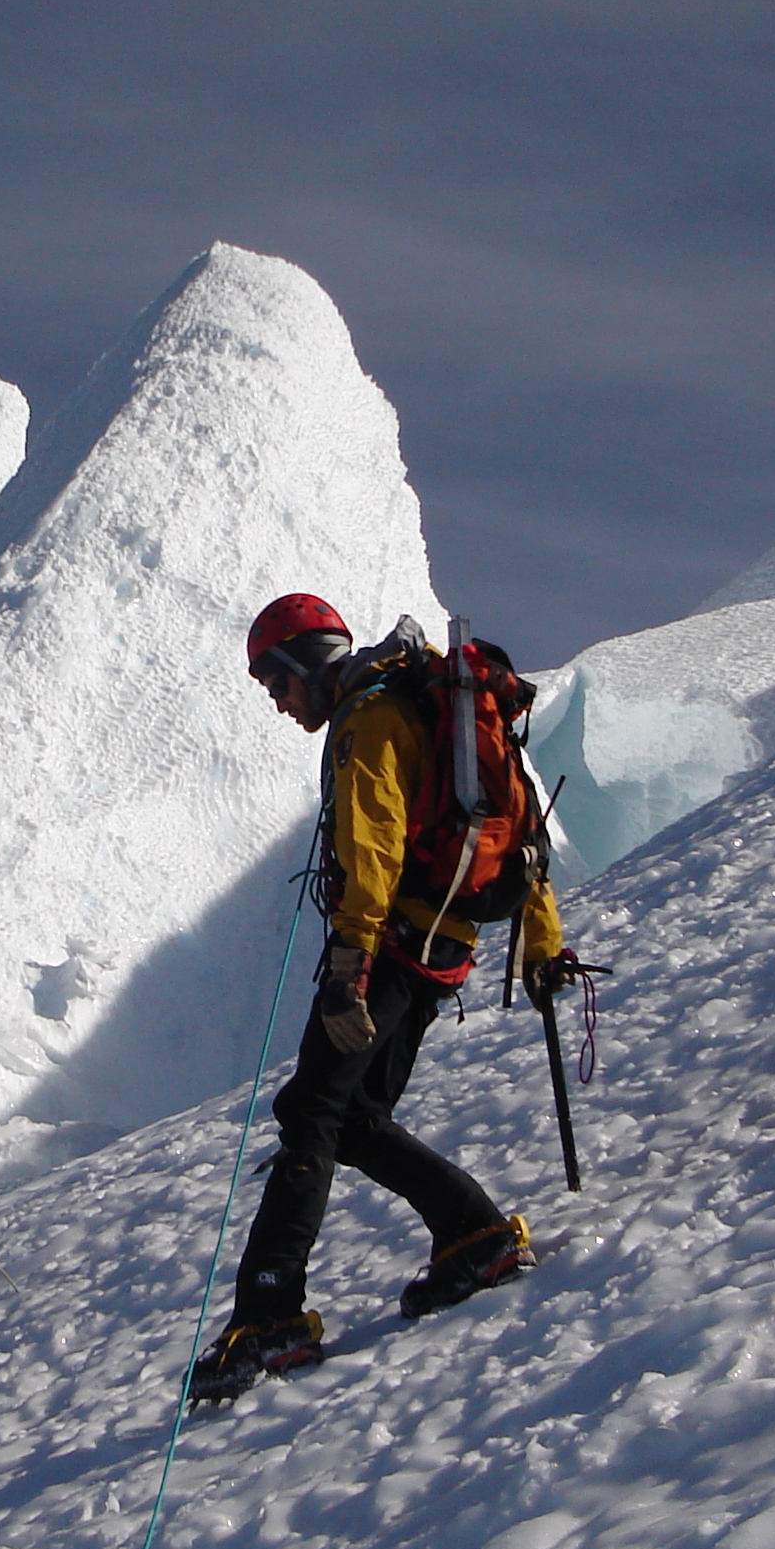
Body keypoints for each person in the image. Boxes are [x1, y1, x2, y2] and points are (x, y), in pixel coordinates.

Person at [190, 593, 576, 1403]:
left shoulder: (368, 718)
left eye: (279, 686)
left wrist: (349, 967)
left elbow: (372, 845)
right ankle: (473, 1236)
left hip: (390, 949)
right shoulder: (425, 704)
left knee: (312, 1114)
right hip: (446, 948)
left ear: (305, 666)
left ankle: (270, 1314)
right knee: (355, 1119)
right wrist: (542, 940)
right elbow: (522, 838)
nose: (282, 705)